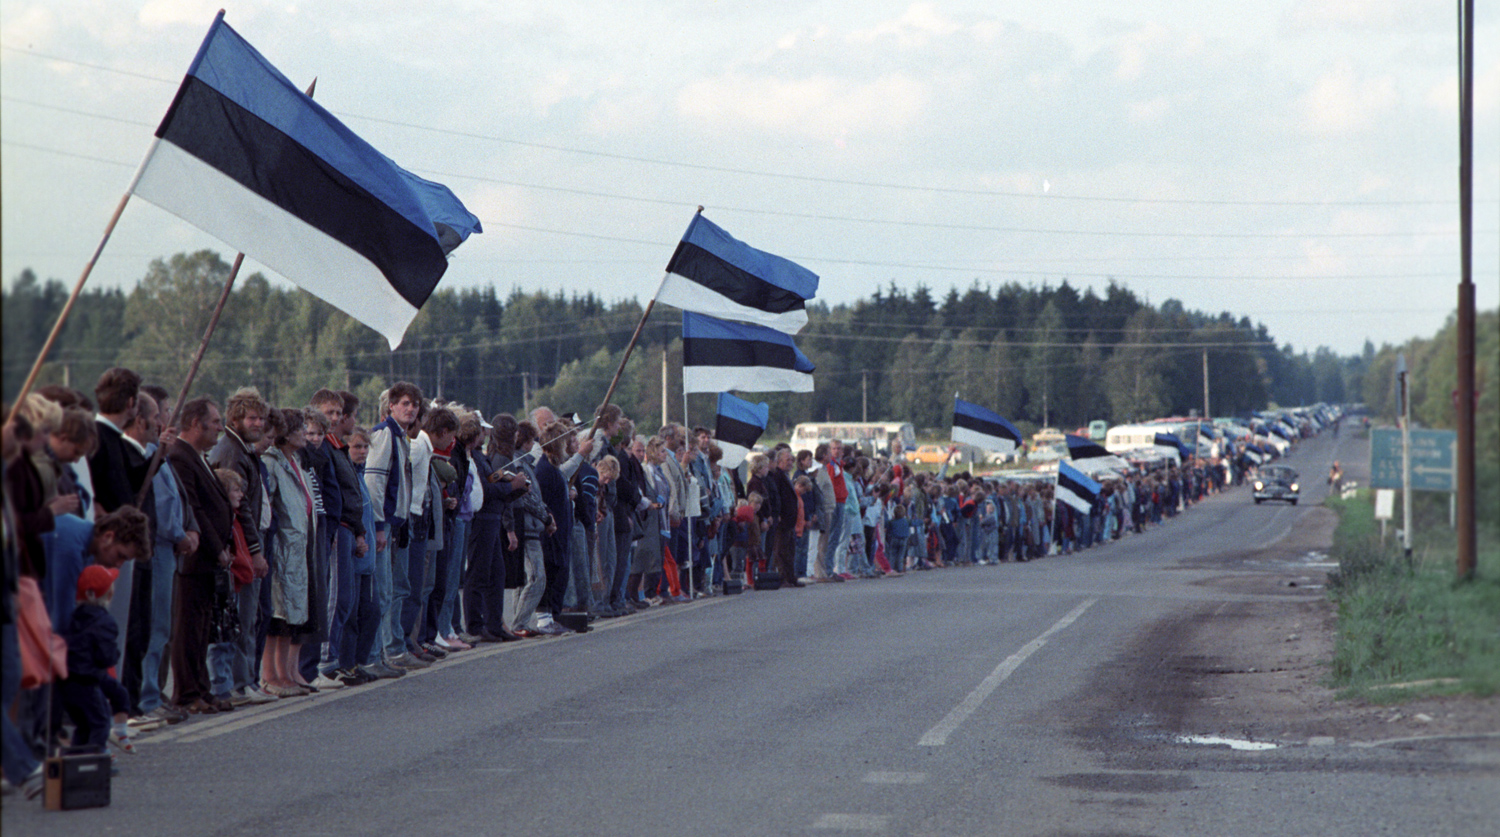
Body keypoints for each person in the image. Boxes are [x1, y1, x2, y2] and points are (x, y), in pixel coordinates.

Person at [165, 397, 234, 715]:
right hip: (194, 560)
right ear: (195, 424)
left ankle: (202, 690)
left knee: (203, 628)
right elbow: (194, 508)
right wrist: (216, 547)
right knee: (189, 628)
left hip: (208, 561)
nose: (220, 426)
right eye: (216, 421)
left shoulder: (199, 456)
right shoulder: (180, 456)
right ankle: (186, 692)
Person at [208, 387, 273, 705]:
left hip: (245, 545)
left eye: (261, 418)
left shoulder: (243, 449)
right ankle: (239, 682)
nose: (259, 424)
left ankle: (246, 678)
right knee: (241, 617)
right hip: (239, 547)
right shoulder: (232, 452)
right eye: (252, 418)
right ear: (236, 419)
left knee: (250, 616)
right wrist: (255, 550)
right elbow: (241, 508)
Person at [56, 565, 135, 755]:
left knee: (83, 724)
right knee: (99, 722)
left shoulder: (71, 616)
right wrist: (114, 654)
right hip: (88, 677)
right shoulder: (104, 622)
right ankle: (98, 757)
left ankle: (76, 759)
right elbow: (106, 657)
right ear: (107, 595)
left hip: (68, 679)